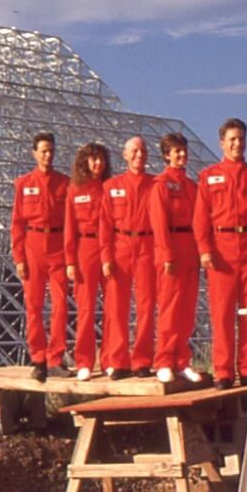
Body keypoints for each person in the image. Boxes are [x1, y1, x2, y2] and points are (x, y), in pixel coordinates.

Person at [194, 118, 247, 389]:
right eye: (231, 139)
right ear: (222, 143)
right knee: (222, 314)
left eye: (241, 139)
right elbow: (200, 219)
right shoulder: (208, 177)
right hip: (222, 250)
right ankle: (223, 371)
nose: (237, 144)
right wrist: (205, 250)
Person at [10, 132, 70, 381]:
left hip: (58, 248)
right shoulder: (24, 184)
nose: (48, 155)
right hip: (33, 247)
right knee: (33, 307)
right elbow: (17, 224)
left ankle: (56, 358)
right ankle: (38, 359)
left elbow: (70, 222)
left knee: (60, 305)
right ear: (34, 153)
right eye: (43, 151)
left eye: (51, 151)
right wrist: (19, 258)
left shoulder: (64, 183)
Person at [148, 132, 204, 384]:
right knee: (170, 309)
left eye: (183, 151)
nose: (181, 155)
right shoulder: (160, 185)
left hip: (190, 249)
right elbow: (159, 223)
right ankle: (163, 359)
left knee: (187, 309)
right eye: (176, 151)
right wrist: (167, 254)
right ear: (166, 155)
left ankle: (182, 359)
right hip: (171, 248)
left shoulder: (192, 186)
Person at [101, 136, 157, 378]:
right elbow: (104, 224)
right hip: (121, 247)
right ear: (124, 155)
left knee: (146, 305)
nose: (138, 155)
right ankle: (119, 360)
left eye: (142, 151)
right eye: (133, 151)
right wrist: (106, 257)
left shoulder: (156, 184)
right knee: (117, 307)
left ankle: (142, 360)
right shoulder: (112, 186)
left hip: (147, 247)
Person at [64, 142, 114, 381]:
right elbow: (69, 227)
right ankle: (84, 360)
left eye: (101, 159)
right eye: (93, 159)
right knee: (85, 308)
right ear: (84, 162)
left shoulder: (110, 188)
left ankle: (110, 359)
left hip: (111, 250)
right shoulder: (75, 189)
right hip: (85, 249)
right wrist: (70, 261)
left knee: (112, 308)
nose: (97, 164)